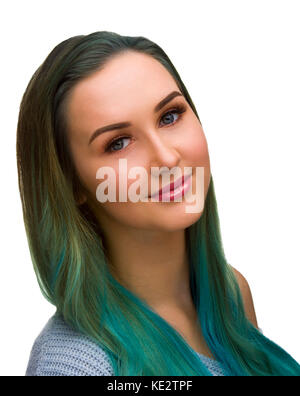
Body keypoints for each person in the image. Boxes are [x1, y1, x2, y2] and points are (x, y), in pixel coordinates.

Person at [17, 30, 300, 376]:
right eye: (119, 143)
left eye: (170, 116)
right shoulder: (73, 365)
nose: (166, 158)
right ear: (71, 184)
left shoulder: (231, 294)